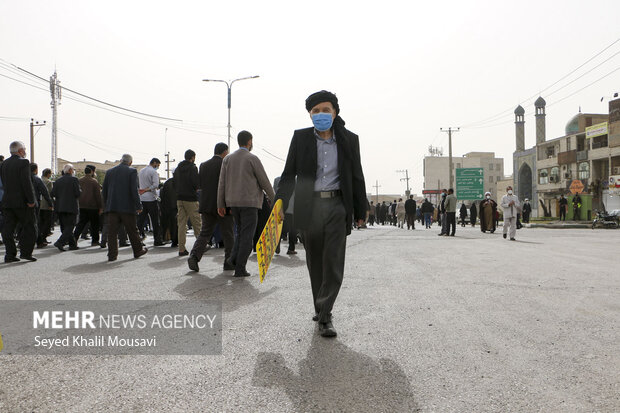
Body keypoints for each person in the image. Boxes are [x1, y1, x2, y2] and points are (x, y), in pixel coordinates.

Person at [275, 90, 366, 338]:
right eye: (316, 111)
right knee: (315, 262)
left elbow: (356, 174)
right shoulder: (301, 138)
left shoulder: (349, 139)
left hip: (337, 206)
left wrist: (361, 208)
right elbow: (288, 173)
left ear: (335, 112)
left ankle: (325, 315)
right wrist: (280, 203)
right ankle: (320, 305)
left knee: (333, 263)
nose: (321, 114)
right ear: (309, 114)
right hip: (310, 206)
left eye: (325, 110)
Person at [218, 131, 274, 277]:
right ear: (249, 141)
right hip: (250, 203)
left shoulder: (227, 159)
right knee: (247, 236)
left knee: (240, 233)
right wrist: (275, 198)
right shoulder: (252, 158)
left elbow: (222, 183)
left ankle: (233, 259)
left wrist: (221, 204)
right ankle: (240, 267)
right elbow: (264, 182)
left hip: (233, 203)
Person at [188, 143, 235, 272]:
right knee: (228, 234)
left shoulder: (203, 165)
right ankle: (228, 262)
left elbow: (201, 185)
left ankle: (194, 256)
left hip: (207, 205)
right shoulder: (226, 164)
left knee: (205, 233)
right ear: (225, 152)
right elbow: (229, 186)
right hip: (223, 205)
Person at [101, 154, 148, 261]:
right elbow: (134, 190)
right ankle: (138, 250)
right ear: (130, 162)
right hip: (127, 208)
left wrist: (105, 205)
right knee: (132, 230)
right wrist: (138, 205)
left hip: (112, 207)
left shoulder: (109, 172)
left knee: (112, 232)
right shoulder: (132, 171)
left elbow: (104, 191)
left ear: (121, 160)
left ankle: (112, 255)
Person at [0, 141, 37, 262]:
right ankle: (26, 253)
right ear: (20, 151)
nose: (25, 151)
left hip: (7, 201)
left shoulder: (4, 163)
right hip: (22, 202)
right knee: (30, 227)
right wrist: (31, 200)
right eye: (24, 149)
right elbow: (26, 182)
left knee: (8, 230)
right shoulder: (23, 162)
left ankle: (10, 255)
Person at [174, 150, 201, 256]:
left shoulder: (177, 169)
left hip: (179, 198)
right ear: (192, 157)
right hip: (191, 199)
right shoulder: (193, 168)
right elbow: (195, 183)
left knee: (181, 224)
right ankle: (200, 247)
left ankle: (181, 249)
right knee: (197, 223)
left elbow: (174, 183)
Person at [51, 164, 81, 251]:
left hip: (60, 206)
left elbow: (52, 193)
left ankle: (72, 244)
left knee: (65, 226)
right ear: (71, 170)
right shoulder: (74, 180)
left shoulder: (58, 181)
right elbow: (77, 193)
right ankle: (60, 242)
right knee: (70, 226)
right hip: (71, 206)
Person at [73, 166, 103, 246]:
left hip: (82, 205)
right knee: (94, 224)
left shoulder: (79, 180)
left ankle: (74, 239)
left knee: (81, 223)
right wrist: (100, 206)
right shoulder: (94, 181)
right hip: (93, 206)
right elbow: (98, 195)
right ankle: (95, 241)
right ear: (91, 172)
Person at [138, 158, 165, 246]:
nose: (157, 167)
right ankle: (157, 240)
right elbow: (155, 185)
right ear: (154, 163)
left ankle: (138, 238)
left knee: (141, 220)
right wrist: (148, 189)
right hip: (151, 198)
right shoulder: (153, 172)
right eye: (157, 165)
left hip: (142, 198)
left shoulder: (141, 171)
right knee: (155, 220)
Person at [30, 163, 53, 248]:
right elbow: (45, 192)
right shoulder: (37, 179)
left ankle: (21, 242)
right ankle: (39, 241)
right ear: (36, 170)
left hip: (24, 204)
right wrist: (50, 203)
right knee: (36, 223)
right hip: (36, 203)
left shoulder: (23, 178)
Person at [160, 176, 178, 247]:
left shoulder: (167, 183)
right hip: (176, 207)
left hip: (167, 207)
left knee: (167, 224)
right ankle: (175, 241)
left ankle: (163, 238)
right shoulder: (179, 182)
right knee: (175, 225)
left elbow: (162, 195)